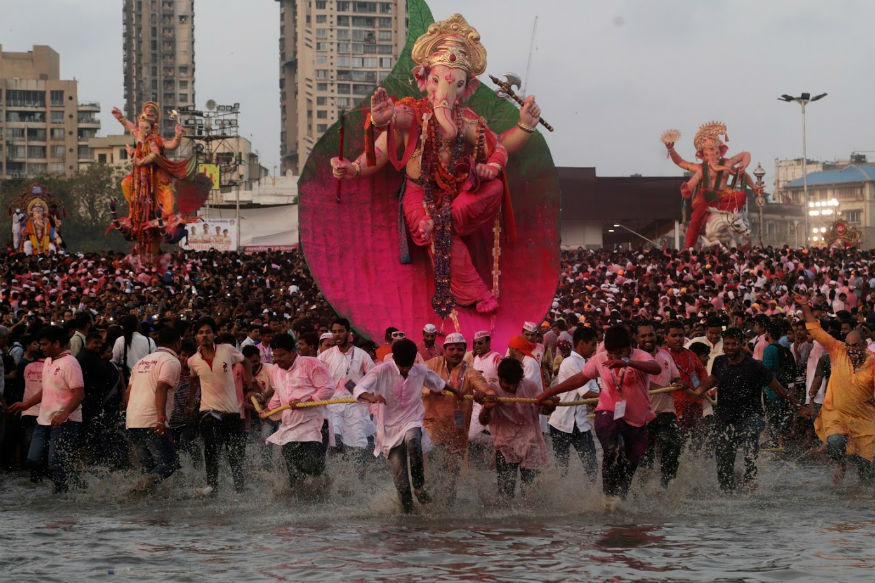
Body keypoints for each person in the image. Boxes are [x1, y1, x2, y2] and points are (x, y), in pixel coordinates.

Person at [331, 14, 541, 316]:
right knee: (434, 228)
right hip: (420, 194)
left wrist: (524, 127)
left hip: (455, 198)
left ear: (465, 88)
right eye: (438, 81)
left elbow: (497, 147)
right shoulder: (411, 112)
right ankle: (473, 289)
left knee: (490, 189)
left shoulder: (466, 119)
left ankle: (440, 225)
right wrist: (361, 153)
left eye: (454, 84)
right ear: (425, 80)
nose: (445, 92)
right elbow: (381, 148)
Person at [537, 325, 661, 507]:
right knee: (613, 449)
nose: (613, 358)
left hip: (637, 419)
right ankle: (607, 497)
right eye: (611, 353)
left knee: (630, 466)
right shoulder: (600, 358)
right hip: (608, 411)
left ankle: (620, 500)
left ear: (629, 347)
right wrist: (549, 392)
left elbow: (655, 368)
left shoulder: (640, 356)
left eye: (619, 353)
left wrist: (627, 363)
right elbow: (580, 378)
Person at [693, 328, 807, 492]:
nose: (730, 347)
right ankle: (728, 489)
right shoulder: (719, 362)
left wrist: (799, 407)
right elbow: (712, 380)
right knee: (724, 460)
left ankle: (750, 478)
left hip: (751, 416)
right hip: (726, 417)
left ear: (741, 344)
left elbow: (779, 389)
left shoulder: (755, 366)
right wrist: (696, 391)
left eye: (734, 344)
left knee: (749, 438)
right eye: (727, 344)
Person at [353, 338, 460, 513]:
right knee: (401, 479)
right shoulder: (381, 370)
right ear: (394, 359)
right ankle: (408, 514)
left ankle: (419, 486)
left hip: (412, 419)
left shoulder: (420, 370)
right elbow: (359, 388)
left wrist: (457, 392)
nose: (406, 370)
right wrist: (371, 397)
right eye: (403, 366)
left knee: (413, 440)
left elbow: (439, 383)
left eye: (409, 365)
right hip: (389, 428)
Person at [795, 293, 874, 483]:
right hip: (835, 414)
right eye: (848, 346)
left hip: (864, 419)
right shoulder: (838, 351)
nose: (851, 350)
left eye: (855, 346)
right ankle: (840, 463)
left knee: (868, 473)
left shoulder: (872, 364)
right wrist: (805, 306)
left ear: (864, 345)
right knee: (836, 442)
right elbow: (816, 331)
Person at [662, 121, 761, 248]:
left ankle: (736, 238)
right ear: (703, 155)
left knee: (740, 198)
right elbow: (680, 162)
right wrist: (671, 149)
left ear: (721, 151)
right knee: (695, 220)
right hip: (706, 199)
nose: (713, 156)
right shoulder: (700, 168)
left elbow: (745, 155)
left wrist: (746, 170)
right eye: (708, 154)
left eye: (715, 152)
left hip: (723, 199)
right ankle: (688, 248)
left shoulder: (727, 164)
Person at [9, 326, 85, 493]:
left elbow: (79, 394)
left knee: (56, 461)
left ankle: (68, 491)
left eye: (44, 344)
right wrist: (26, 404)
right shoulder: (49, 361)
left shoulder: (70, 363)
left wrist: (64, 413)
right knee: (33, 458)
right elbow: (46, 389)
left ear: (57, 343)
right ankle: (72, 485)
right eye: (40, 344)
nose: (41, 348)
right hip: (44, 419)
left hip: (66, 421)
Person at [262, 333, 336, 494]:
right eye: (275, 356)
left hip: (314, 425)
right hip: (290, 427)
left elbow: (328, 388)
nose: (277, 359)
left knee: (312, 466)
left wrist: (309, 400)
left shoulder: (311, 363)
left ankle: (323, 486)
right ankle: (299, 503)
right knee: (293, 472)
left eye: (281, 355)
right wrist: (268, 410)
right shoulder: (275, 370)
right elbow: (278, 394)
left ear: (293, 352)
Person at [187, 317, 253, 495]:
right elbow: (194, 381)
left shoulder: (227, 350)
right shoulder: (193, 361)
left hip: (233, 411)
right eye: (200, 333)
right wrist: (191, 403)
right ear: (196, 337)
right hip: (209, 411)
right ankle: (212, 486)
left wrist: (250, 386)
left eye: (208, 332)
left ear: (214, 334)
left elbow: (246, 362)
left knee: (236, 454)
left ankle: (239, 488)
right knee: (211, 449)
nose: (205, 335)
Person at [423, 332, 490, 501]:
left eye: (459, 349)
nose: (455, 353)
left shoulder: (469, 371)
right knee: (432, 471)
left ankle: (448, 507)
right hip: (432, 426)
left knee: (452, 474)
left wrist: (485, 394)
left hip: (457, 428)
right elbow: (414, 382)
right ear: (444, 350)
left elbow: (486, 388)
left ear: (465, 350)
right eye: (451, 349)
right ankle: (431, 505)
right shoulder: (431, 365)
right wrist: (429, 390)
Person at [476, 358, 550, 500]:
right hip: (505, 447)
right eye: (507, 384)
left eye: (515, 383)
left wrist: (551, 404)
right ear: (500, 379)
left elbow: (544, 411)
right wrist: (486, 408)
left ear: (520, 379)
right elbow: (482, 420)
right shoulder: (492, 390)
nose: (511, 388)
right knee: (505, 494)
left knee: (530, 494)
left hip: (531, 445)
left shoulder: (530, 386)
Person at [124, 326, 182, 491]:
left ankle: (146, 509)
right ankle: (137, 490)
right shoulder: (171, 361)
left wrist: (131, 417)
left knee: (149, 468)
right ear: (177, 343)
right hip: (153, 421)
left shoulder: (141, 362)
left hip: (134, 421)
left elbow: (128, 393)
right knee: (169, 463)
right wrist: (160, 418)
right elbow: (162, 387)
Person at [318, 317, 376, 478]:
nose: (337, 335)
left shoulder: (362, 355)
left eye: (341, 331)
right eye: (334, 332)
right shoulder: (325, 356)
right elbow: (313, 377)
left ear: (348, 333)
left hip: (356, 405)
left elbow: (374, 376)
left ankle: (358, 481)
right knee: (334, 441)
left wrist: (366, 392)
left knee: (358, 446)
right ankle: (336, 477)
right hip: (332, 405)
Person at [547, 326, 600, 480]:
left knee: (592, 468)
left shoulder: (588, 363)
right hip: (561, 424)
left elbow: (594, 394)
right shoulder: (570, 362)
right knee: (561, 470)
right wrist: (611, 400)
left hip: (581, 423)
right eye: (593, 345)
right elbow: (586, 393)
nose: (594, 349)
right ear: (582, 343)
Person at [635, 322, 683, 487]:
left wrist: (678, 383)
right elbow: (642, 382)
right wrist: (664, 389)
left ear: (657, 335)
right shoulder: (633, 358)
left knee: (674, 444)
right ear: (636, 338)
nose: (648, 339)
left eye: (651, 335)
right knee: (643, 459)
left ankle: (667, 486)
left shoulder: (665, 355)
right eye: (643, 336)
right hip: (640, 416)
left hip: (665, 411)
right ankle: (643, 491)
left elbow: (676, 376)